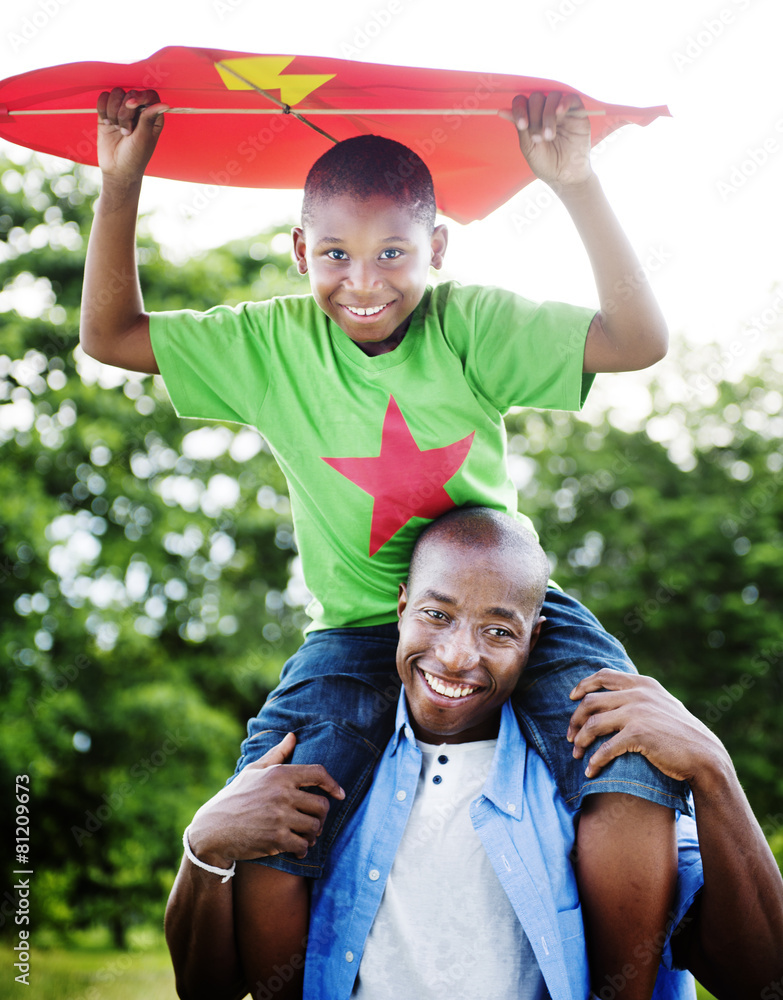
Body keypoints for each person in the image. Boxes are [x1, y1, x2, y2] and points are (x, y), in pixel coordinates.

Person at [83, 86, 686, 994]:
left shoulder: (470, 325)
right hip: (360, 629)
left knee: (628, 758)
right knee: (285, 799)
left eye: (393, 254)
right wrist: (118, 183)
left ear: (435, 250)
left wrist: (576, 185)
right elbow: (111, 335)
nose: (362, 282)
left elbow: (636, 341)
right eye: (334, 255)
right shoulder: (270, 343)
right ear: (300, 251)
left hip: (508, 613)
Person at [164, 507, 783, 999]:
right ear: (402, 607)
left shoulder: (594, 782)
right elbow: (207, 988)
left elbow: (758, 979)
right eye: (437, 614)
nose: (459, 656)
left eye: (498, 631)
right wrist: (205, 848)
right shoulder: (319, 769)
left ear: (535, 638)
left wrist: (714, 772)